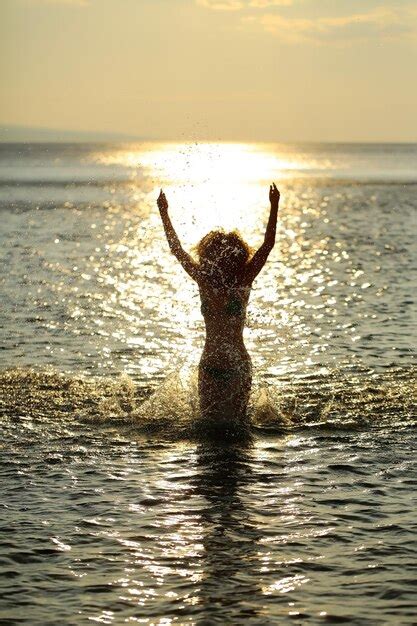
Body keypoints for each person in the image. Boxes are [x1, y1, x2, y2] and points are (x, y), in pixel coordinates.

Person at [157, 183, 280, 432]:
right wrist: (164, 213)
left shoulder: (243, 281)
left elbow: (267, 245)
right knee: (208, 428)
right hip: (210, 365)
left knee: (237, 430)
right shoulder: (204, 280)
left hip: (238, 366)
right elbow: (176, 250)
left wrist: (275, 206)